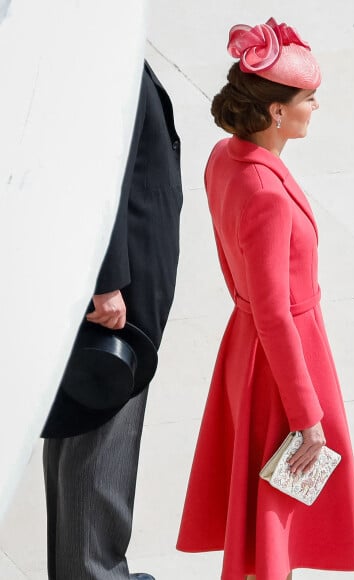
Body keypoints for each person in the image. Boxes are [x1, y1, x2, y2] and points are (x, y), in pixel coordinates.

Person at [176, 18, 354, 579]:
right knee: (279, 508)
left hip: (246, 346)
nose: (315, 107)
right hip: (282, 354)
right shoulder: (267, 193)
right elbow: (275, 312)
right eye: (309, 98)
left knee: (266, 499)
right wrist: (308, 413)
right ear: (277, 111)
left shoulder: (224, 156)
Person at [42, 60, 183, 580]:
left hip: (119, 283)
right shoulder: (97, 51)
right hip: (118, 294)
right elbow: (93, 170)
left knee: (81, 421)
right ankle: (93, 572)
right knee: (100, 428)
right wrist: (107, 280)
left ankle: (83, 569)